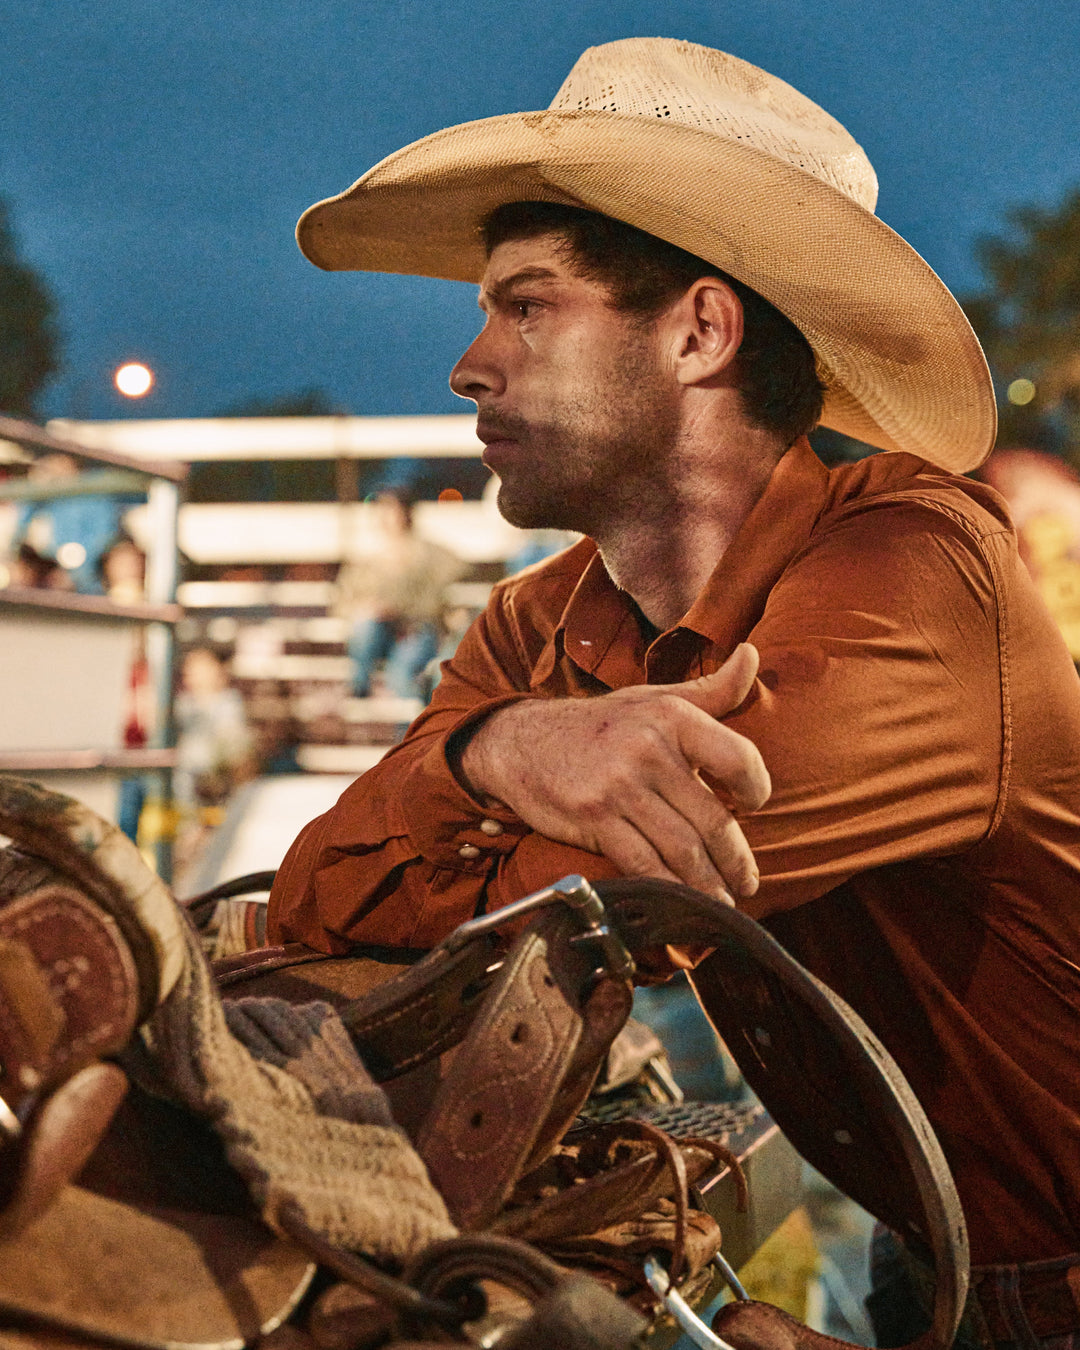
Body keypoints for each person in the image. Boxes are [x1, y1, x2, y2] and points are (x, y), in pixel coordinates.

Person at [268, 39, 1080, 1344]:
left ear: (701, 328)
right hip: (948, 1253)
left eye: (525, 307)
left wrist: (465, 792)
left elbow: (598, 910)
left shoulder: (917, 567)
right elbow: (318, 894)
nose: (471, 365)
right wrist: (498, 748)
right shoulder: (535, 628)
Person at [333, 486, 464, 701]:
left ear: (406, 513)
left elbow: (442, 598)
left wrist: (399, 612)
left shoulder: (429, 555)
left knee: (402, 673)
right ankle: (358, 690)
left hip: (416, 630)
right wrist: (366, 609)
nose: (387, 517)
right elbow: (342, 602)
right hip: (378, 633)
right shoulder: (366, 559)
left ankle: (413, 729)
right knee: (365, 627)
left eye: (392, 510)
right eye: (381, 511)